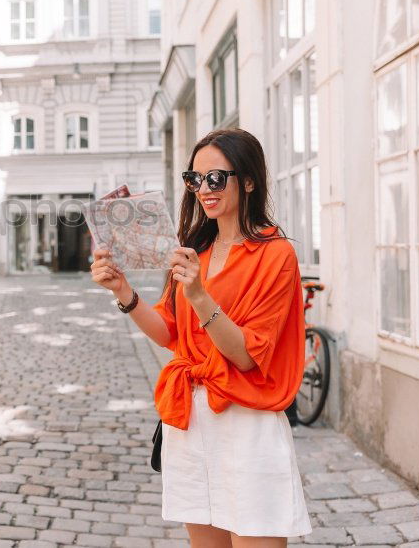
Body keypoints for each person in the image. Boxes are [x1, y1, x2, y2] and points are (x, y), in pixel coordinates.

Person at [90, 128, 311, 547]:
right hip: (190, 421)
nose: (203, 190)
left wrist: (198, 293)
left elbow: (246, 356)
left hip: (247, 421)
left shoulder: (275, 254)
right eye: (194, 180)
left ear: (247, 180)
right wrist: (123, 291)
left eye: (215, 179)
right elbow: (169, 333)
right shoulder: (197, 251)